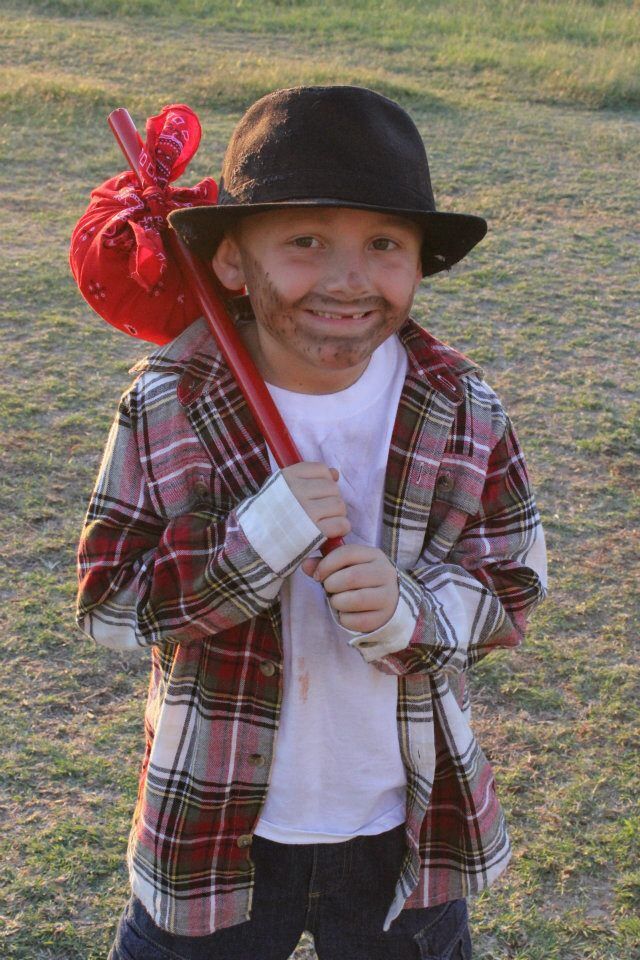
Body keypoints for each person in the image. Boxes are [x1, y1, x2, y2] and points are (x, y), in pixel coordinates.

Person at [76, 85, 547, 960]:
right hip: (213, 821)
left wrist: (413, 613)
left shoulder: (460, 404)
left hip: (400, 821)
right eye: (303, 242)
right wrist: (254, 545)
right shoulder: (167, 400)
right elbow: (108, 604)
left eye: (383, 245)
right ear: (227, 262)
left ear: (418, 263)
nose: (347, 278)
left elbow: (511, 581)